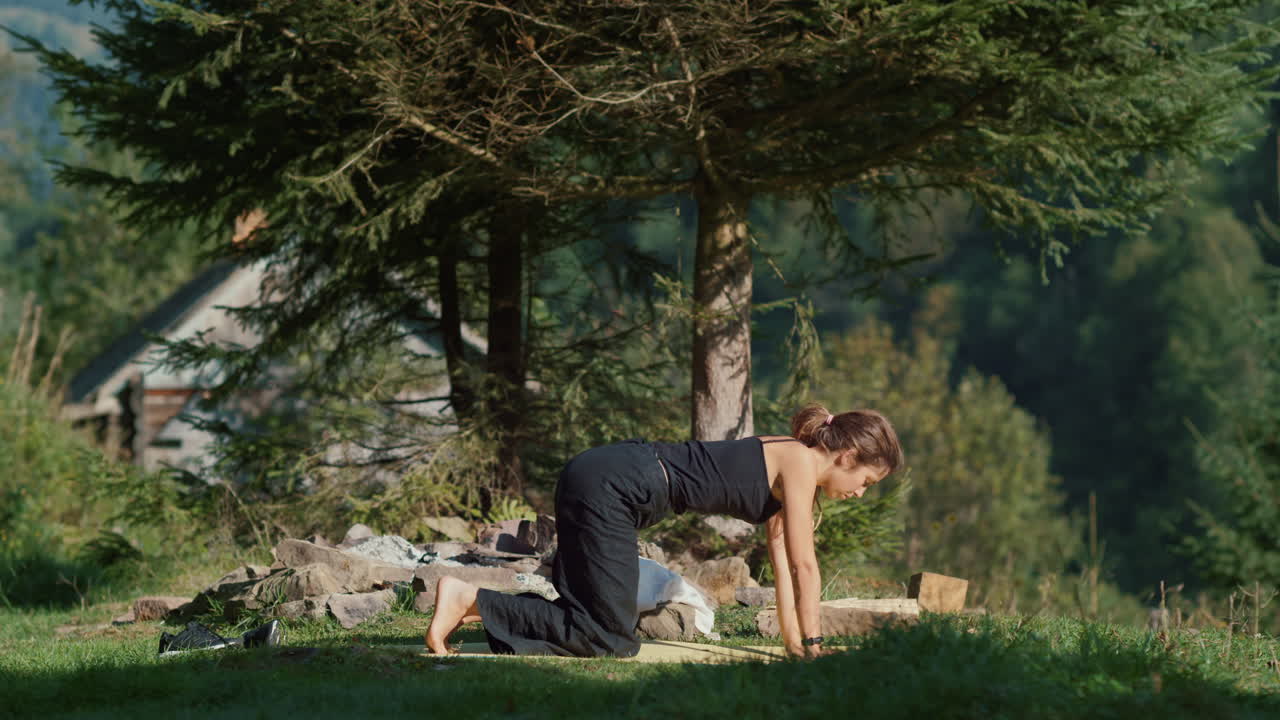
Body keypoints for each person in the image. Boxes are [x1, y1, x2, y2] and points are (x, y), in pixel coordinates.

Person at [424, 404, 903, 659]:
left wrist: (798, 646)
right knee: (610, 641)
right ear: (846, 457)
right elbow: (806, 566)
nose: (859, 493)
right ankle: (469, 601)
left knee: (592, 620)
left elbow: (783, 568)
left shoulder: (789, 466)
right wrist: (818, 648)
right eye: (865, 482)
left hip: (607, 478)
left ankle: (470, 604)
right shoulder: (799, 460)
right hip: (613, 487)